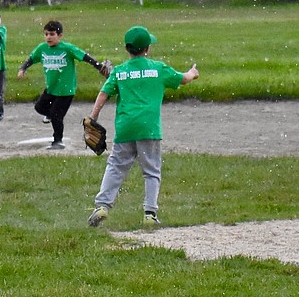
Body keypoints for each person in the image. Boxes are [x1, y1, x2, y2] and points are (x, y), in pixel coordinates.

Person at [86, 26, 199, 228]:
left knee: (116, 167)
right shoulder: (158, 68)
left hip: (125, 128)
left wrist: (93, 117)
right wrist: (192, 73)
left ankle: (102, 206)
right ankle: (149, 214)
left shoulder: (119, 71)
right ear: (147, 48)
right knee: (151, 170)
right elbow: (182, 79)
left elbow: (104, 94)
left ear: (127, 49)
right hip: (149, 128)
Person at [17, 19, 109, 150]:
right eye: (46, 34)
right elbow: (30, 59)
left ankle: (58, 141)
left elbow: (84, 56)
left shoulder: (67, 48)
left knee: (56, 115)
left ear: (60, 36)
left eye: (52, 34)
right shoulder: (42, 49)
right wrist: (22, 69)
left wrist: (98, 66)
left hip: (66, 91)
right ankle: (50, 115)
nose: (48, 37)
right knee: (39, 107)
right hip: (51, 89)